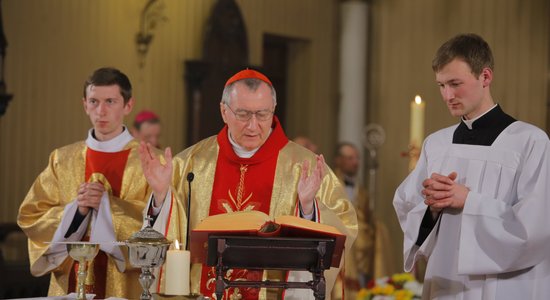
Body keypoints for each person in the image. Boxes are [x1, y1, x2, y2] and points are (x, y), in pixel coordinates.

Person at [140, 69, 358, 299]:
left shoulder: (306, 167)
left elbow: (343, 226)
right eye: (243, 114)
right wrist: (162, 196)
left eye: (262, 114)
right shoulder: (191, 163)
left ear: (273, 110)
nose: (253, 125)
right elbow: (167, 237)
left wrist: (308, 209)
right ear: (224, 111)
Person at [393, 33, 550, 299]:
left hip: (507, 285)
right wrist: (431, 208)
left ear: (485, 77)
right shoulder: (437, 144)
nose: (447, 95)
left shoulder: (530, 142)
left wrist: (469, 201)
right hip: (447, 283)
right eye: (441, 85)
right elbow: (408, 208)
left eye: (455, 83)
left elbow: (537, 226)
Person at [17, 67, 182, 299]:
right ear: (84, 104)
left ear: (128, 105)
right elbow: (31, 217)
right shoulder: (62, 159)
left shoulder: (153, 161)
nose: (101, 111)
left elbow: (168, 226)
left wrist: (107, 207)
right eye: (94, 101)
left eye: (110, 101)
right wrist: (76, 211)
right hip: (69, 285)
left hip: (127, 286)